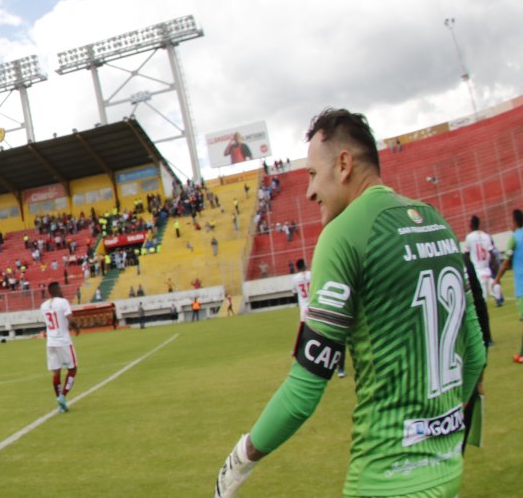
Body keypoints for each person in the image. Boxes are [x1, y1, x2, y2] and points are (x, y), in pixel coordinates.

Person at [214, 108, 485, 498]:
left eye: (311, 174)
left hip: (383, 480)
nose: (308, 191)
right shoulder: (437, 222)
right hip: (447, 475)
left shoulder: (344, 234)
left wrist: (241, 457)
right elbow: (474, 356)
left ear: (343, 164)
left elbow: (304, 391)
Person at [39, 281, 79, 413]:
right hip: (64, 341)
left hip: (51, 342)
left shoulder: (43, 306)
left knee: (56, 372)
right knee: (72, 369)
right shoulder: (63, 302)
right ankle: (63, 396)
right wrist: (76, 327)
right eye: (60, 289)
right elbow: (70, 319)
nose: (62, 291)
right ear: (57, 290)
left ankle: (59, 402)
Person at [492, 208, 523, 363]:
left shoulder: (514, 238)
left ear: (515, 221)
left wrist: (497, 278)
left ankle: (521, 354)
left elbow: (505, 263)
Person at [463, 215, 498, 305]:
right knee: (493, 287)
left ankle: (495, 293)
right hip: (487, 270)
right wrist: (497, 271)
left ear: (471, 225)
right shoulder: (486, 236)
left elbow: (466, 255)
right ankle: (497, 294)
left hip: (476, 270)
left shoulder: (469, 237)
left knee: (480, 300)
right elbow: (492, 254)